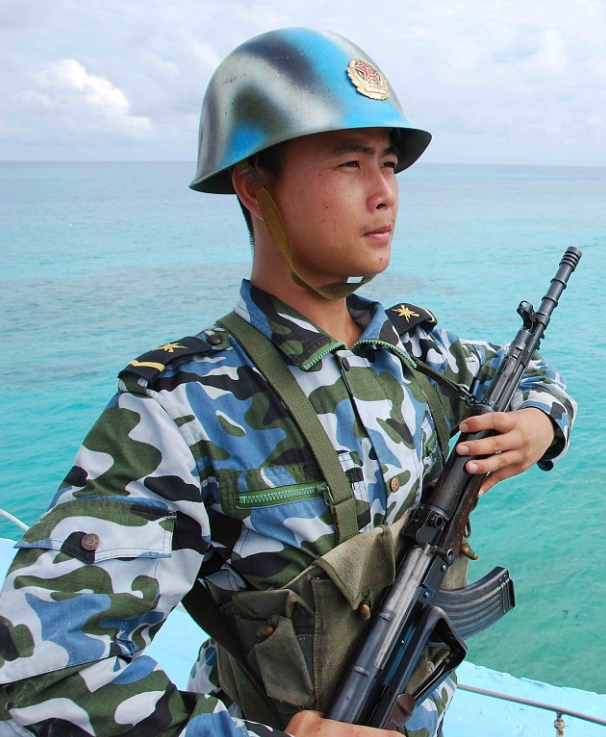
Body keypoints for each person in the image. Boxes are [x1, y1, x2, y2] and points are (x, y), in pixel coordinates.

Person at [0, 28, 575, 737]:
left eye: (389, 163)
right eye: (348, 162)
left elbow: (525, 373)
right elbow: (37, 679)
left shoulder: (411, 346)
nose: (384, 192)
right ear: (254, 186)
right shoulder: (183, 406)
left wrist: (541, 425)